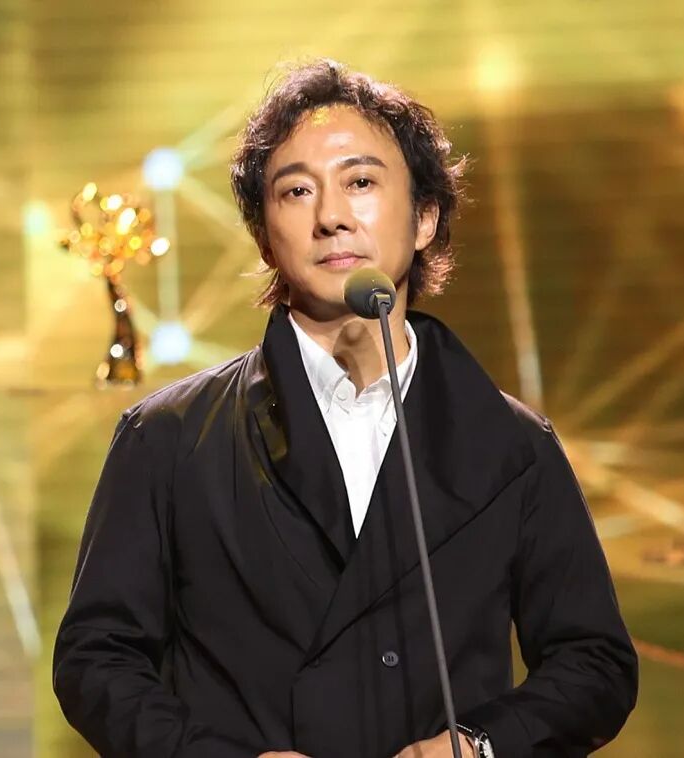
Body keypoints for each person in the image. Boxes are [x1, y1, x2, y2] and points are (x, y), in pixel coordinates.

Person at [53, 58, 638, 758]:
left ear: (425, 218)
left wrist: (480, 745)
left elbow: (594, 664)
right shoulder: (170, 437)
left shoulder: (511, 444)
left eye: (360, 182)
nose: (330, 217)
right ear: (265, 236)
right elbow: (96, 659)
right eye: (296, 191)